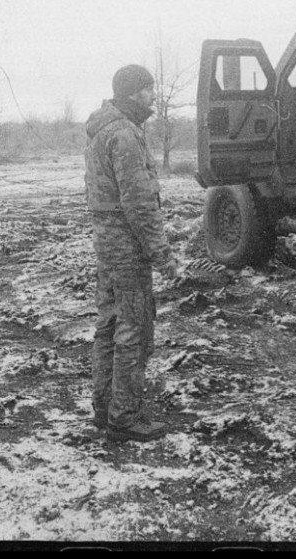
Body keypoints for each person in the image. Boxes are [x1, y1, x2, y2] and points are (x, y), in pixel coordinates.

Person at [84, 63, 179, 440]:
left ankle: (105, 407)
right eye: (147, 89)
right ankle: (124, 416)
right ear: (130, 93)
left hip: (107, 242)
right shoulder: (124, 134)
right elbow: (139, 203)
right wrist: (162, 255)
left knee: (109, 325)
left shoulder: (101, 129)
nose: (152, 96)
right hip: (126, 245)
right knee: (133, 328)